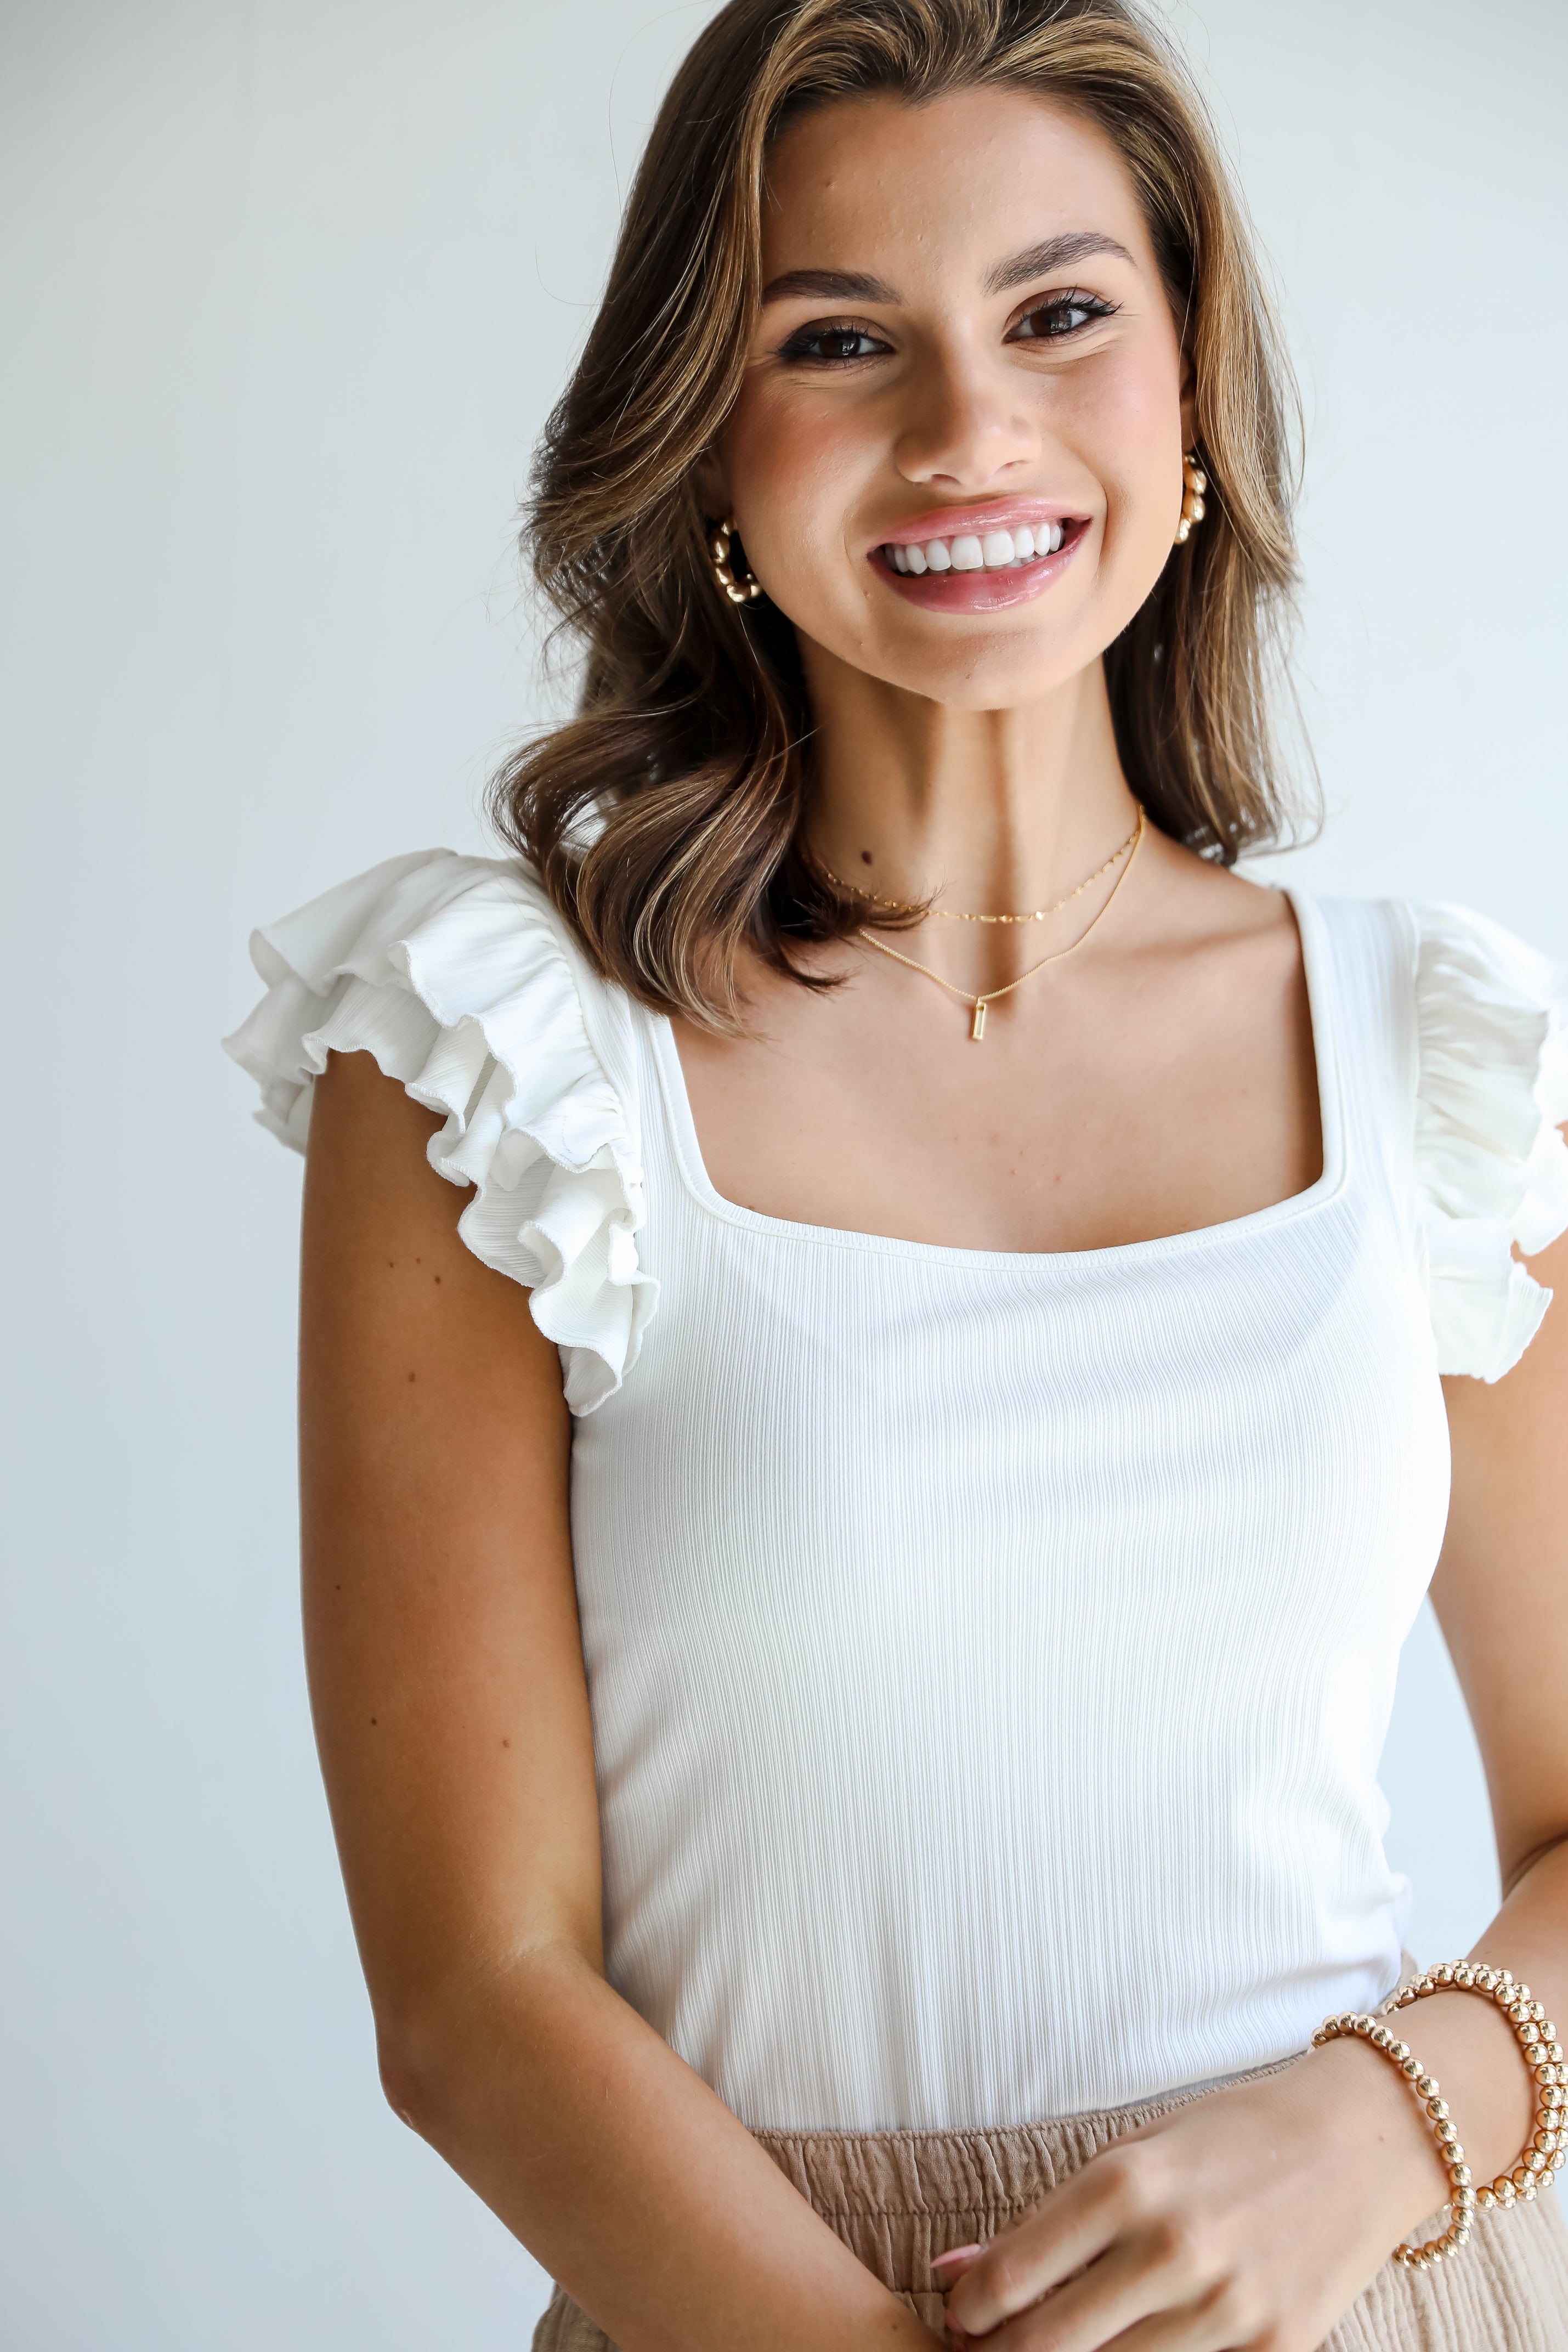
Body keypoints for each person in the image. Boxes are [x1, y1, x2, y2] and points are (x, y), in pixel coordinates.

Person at [224, 2, 1568, 2344]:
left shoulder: (1428, 1057)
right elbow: (473, 1992)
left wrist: (1369, 2129)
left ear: (1183, 401)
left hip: (1380, 2286)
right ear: (708, 445)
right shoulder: (499, 1063)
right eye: (839, 340)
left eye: (1059, 314)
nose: (968, 431)